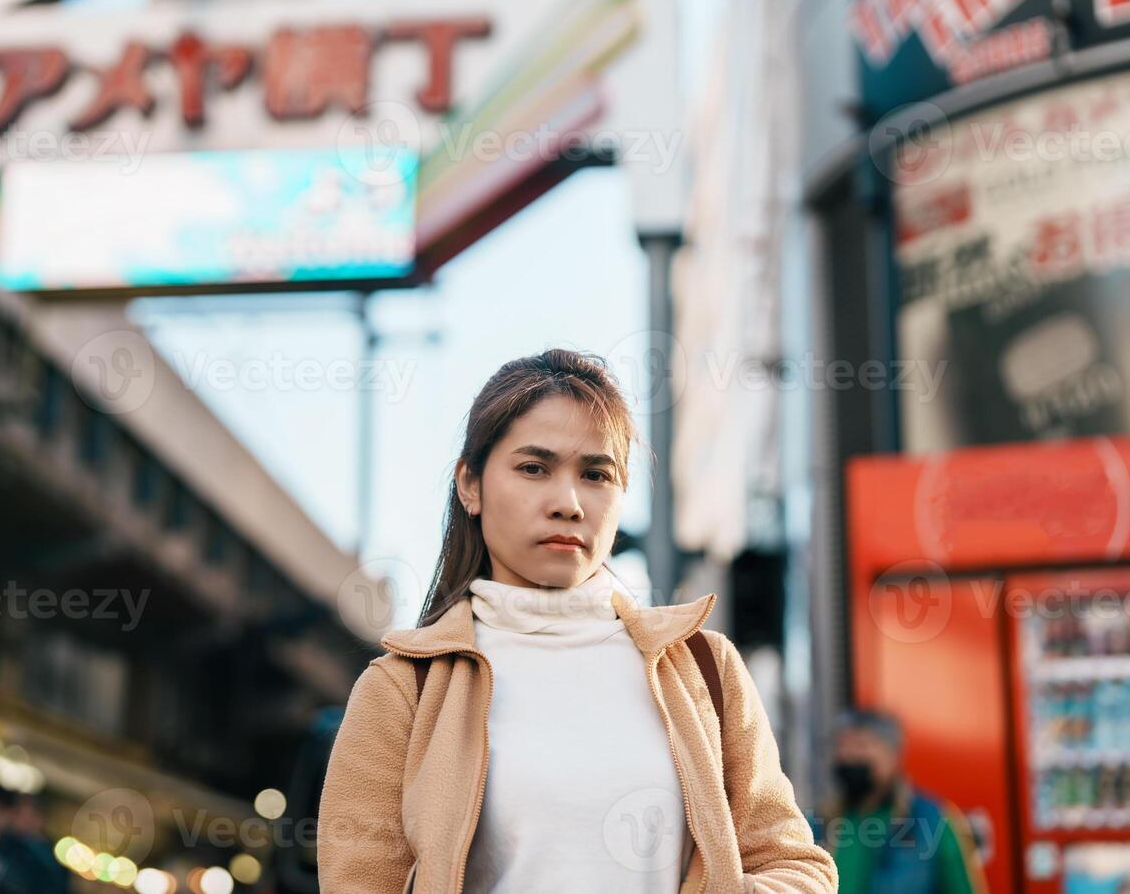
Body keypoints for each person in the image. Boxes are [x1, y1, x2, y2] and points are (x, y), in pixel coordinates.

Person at [317, 349, 837, 893]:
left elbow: (796, 867)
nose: (568, 502)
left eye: (595, 474)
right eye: (534, 468)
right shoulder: (405, 688)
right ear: (470, 485)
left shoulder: (704, 668)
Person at [811, 710, 986, 893]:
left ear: (893, 755)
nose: (848, 756)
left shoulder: (934, 820)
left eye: (861, 746)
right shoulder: (820, 822)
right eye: (841, 747)